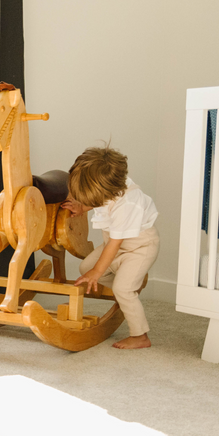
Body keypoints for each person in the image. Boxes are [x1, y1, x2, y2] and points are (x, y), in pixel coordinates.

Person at [61, 146, 159, 349]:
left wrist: (97, 272)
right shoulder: (111, 187)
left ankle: (140, 336)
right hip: (115, 245)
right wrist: (81, 207)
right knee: (85, 268)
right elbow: (99, 203)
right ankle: (129, 285)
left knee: (119, 287)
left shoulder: (129, 203)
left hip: (139, 248)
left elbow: (116, 242)